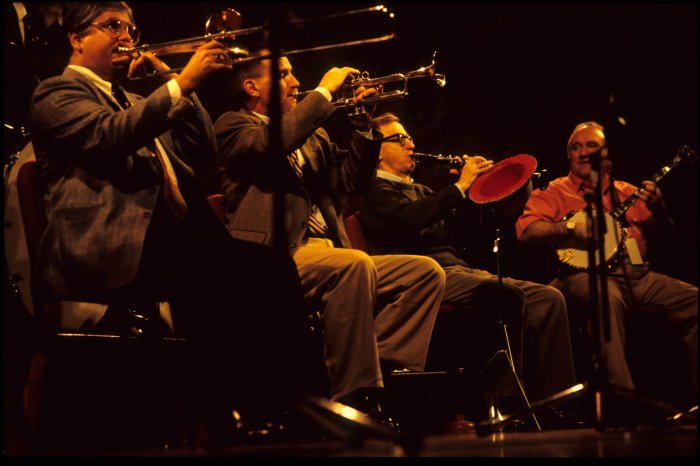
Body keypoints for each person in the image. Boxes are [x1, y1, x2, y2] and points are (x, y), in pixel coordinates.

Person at [29, 2, 311, 444]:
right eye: (113, 26)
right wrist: (181, 82)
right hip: (108, 243)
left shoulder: (139, 98)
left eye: (132, 28)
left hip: (166, 238)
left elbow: (202, 144)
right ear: (77, 38)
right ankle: (252, 415)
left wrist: (168, 77)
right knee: (258, 271)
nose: (128, 36)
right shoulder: (56, 92)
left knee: (266, 268)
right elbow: (109, 135)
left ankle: (267, 413)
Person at [213, 52, 446, 420]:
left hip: (329, 251)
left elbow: (351, 182)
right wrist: (322, 92)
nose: (294, 81)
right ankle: (355, 395)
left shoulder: (313, 134)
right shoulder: (233, 125)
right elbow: (272, 143)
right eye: (283, 74)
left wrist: (364, 126)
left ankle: (377, 370)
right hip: (272, 253)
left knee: (425, 273)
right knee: (352, 265)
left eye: (293, 73)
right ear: (251, 86)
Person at [358, 113, 578, 410]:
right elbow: (407, 221)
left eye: (408, 136)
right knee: (505, 294)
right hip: (423, 278)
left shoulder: (422, 190)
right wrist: (458, 189)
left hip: (459, 271)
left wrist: (476, 190)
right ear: (377, 150)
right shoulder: (372, 190)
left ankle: (557, 403)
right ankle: (503, 401)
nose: (410, 143)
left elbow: (465, 235)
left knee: (550, 298)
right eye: (399, 139)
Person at [516, 121, 698, 406]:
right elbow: (526, 231)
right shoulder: (554, 191)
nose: (583, 152)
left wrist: (660, 209)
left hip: (638, 275)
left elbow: (668, 242)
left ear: (607, 153)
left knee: (695, 302)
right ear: (569, 156)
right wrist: (570, 228)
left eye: (591, 145)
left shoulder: (628, 192)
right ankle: (623, 406)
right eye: (576, 147)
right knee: (605, 300)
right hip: (582, 276)